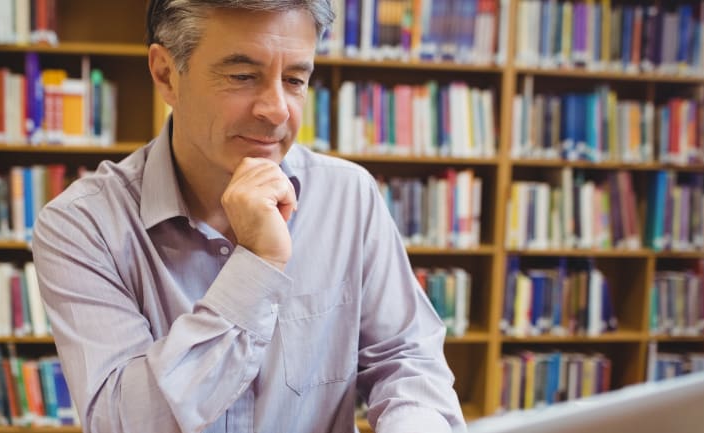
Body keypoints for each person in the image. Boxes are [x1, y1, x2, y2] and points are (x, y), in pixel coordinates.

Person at [31, 1, 466, 432]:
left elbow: (407, 361)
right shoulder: (82, 226)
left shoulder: (348, 195)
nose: (276, 110)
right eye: (242, 76)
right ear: (166, 75)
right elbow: (123, 422)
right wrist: (257, 267)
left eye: (295, 80)